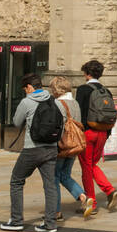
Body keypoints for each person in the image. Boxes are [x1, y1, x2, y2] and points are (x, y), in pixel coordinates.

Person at [0, 73, 61, 232]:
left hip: (32, 148)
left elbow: (16, 122)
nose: (25, 92)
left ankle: (16, 221)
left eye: (25, 89)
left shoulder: (26, 102)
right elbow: (63, 122)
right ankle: (50, 224)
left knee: (16, 181)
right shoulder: (55, 101)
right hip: (51, 147)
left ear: (29, 87)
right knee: (50, 185)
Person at [76, 58, 117, 217]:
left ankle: (91, 203)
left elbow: (79, 112)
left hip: (88, 132)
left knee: (86, 167)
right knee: (93, 164)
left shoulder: (83, 90)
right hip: (102, 131)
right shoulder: (106, 90)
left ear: (87, 74)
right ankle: (109, 190)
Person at [48, 76, 87, 217]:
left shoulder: (58, 104)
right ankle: (82, 196)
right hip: (75, 145)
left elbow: (57, 126)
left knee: (54, 177)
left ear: (56, 89)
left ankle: (56, 212)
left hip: (62, 146)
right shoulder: (75, 103)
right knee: (65, 174)